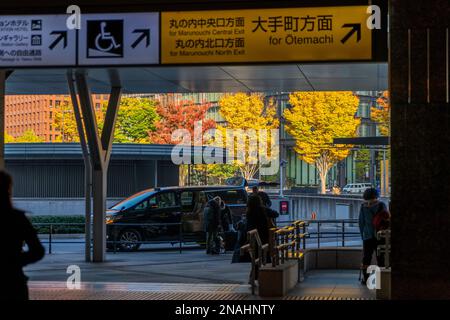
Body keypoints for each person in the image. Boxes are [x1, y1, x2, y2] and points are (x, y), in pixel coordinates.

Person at [1, 170, 45, 300]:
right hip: (13, 282)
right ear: (8, 189)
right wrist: (15, 260)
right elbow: (38, 251)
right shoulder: (17, 218)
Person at [358, 187, 389, 285]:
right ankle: (381, 280)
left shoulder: (363, 207)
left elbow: (361, 223)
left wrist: (362, 235)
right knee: (381, 258)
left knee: (367, 258)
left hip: (368, 236)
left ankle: (366, 279)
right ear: (376, 195)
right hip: (381, 236)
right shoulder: (382, 205)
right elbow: (387, 219)